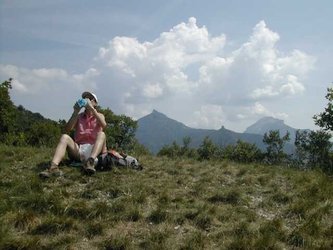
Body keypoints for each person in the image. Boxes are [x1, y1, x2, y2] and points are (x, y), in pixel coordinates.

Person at [39, 91, 107, 178]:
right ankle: (53, 167)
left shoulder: (100, 115)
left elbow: (104, 125)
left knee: (102, 134)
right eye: (85, 98)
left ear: (95, 103)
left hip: (95, 149)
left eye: (90, 99)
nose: (87, 100)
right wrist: (75, 111)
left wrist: (92, 110)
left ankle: (90, 162)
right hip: (79, 149)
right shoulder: (79, 116)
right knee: (64, 137)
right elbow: (67, 129)